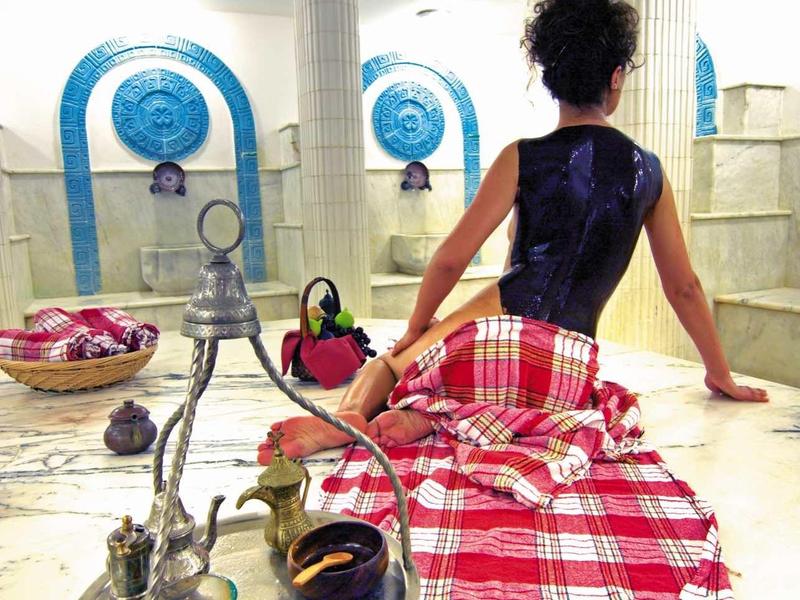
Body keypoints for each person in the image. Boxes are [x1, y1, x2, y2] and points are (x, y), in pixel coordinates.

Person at [258, 0, 767, 465]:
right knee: (523, 387)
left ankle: (354, 417)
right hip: (566, 372)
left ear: (551, 81)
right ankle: (463, 417)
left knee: (390, 366)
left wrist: (415, 331)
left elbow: (450, 260)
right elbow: (684, 287)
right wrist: (717, 372)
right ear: (616, 78)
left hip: (498, 330)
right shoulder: (649, 170)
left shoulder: (521, 156)